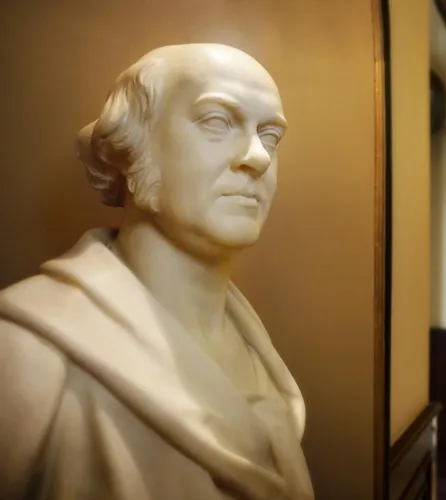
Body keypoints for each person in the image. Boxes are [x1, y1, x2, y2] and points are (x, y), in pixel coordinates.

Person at [0, 44, 314, 500]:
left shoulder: (252, 344)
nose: (259, 156)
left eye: (270, 136)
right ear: (135, 144)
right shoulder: (25, 349)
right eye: (217, 121)